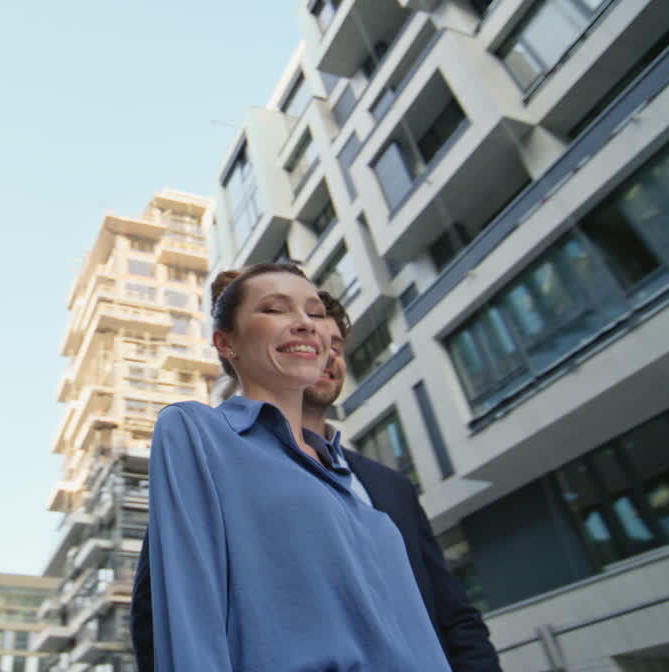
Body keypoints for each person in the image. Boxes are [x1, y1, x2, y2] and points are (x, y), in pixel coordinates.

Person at [131, 283, 502, 672]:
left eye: (337, 345)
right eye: (278, 311)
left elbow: (451, 613)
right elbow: (168, 611)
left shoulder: (387, 488)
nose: (324, 350)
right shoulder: (203, 444)